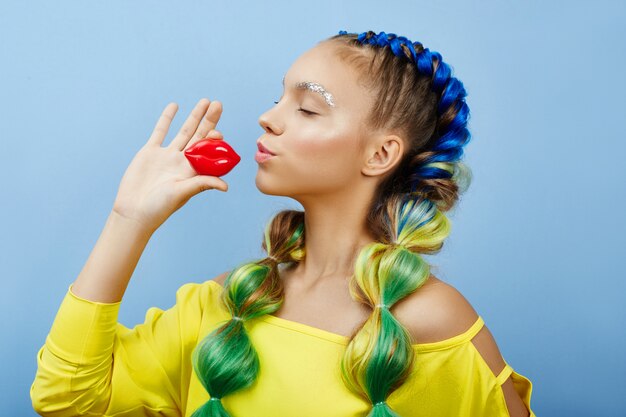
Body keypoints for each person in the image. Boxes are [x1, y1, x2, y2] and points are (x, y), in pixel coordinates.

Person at [30, 30, 535, 417]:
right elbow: (67, 399)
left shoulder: (431, 322)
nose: (269, 118)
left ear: (381, 153)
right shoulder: (230, 303)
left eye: (308, 108)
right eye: (279, 98)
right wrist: (128, 221)